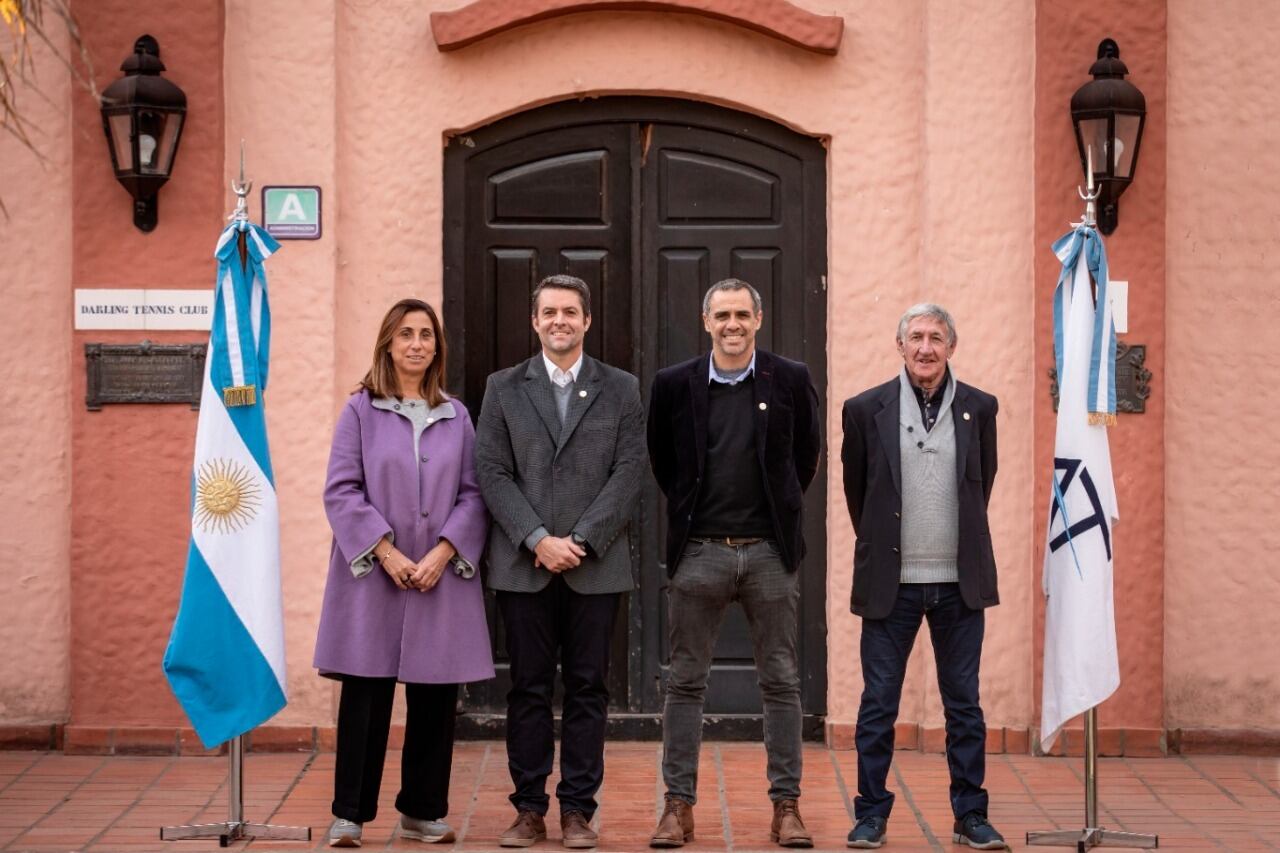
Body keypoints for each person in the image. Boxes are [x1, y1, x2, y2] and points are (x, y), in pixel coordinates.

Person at [646, 278, 821, 849]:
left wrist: (777, 519)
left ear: (759, 319)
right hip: (700, 553)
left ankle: (786, 807)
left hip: (769, 553)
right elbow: (664, 462)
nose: (732, 325)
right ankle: (678, 807)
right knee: (685, 681)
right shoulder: (674, 385)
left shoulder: (788, 378)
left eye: (742, 314)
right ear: (706, 322)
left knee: (781, 681)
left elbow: (805, 457)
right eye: (722, 315)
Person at [474, 274, 646, 850]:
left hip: (595, 568)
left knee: (588, 689)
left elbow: (629, 473)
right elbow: (491, 472)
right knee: (526, 690)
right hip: (525, 567)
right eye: (549, 312)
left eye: (570, 312)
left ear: (587, 321)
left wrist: (583, 539)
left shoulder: (620, 388)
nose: (559, 321)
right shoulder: (502, 387)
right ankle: (528, 808)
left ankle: (577, 810)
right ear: (535, 321)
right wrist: (537, 539)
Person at [314, 298, 493, 848]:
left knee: (435, 699)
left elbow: (474, 493)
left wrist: (444, 552)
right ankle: (350, 814)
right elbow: (341, 490)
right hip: (373, 574)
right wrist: (386, 552)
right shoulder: (360, 411)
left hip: (439, 574)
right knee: (365, 697)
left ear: (437, 346)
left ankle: (421, 811)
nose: (417, 343)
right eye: (406, 334)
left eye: (426, 335)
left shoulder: (457, 415)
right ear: (388, 343)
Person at [840, 303, 1005, 850]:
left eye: (937, 337)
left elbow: (981, 485)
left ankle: (970, 815)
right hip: (894, 582)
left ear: (951, 346)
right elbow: (858, 493)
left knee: (964, 704)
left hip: (960, 581)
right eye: (916, 337)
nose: (926, 348)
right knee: (879, 703)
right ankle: (870, 814)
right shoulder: (865, 409)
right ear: (900, 345)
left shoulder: (980, 408)